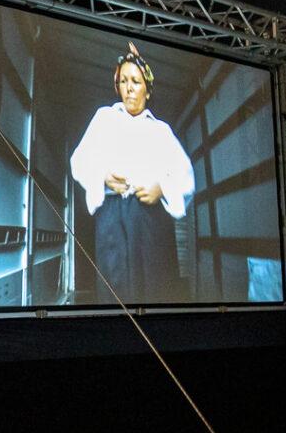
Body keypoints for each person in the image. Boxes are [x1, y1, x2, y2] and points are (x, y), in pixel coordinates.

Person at [69, 41, 195, 304]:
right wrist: (102, 175)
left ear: (148, 90)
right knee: (114, 287)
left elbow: (186, 176)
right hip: (112, 217)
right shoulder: (105, 118)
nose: (129, 88)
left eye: (136, 81)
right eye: (124, 80)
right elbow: (79, 161)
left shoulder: (161, 131)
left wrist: (161, 188)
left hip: (150, 219)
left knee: (154, 286)